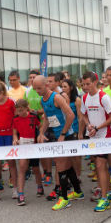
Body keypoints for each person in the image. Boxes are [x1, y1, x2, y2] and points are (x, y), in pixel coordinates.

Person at [34, 75, 83, 210]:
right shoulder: (42, 100)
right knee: (66, 165)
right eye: (35, 89)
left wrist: (63, 134)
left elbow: (71, 115)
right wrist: (42, 133)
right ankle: (78, 191)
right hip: (58, 136)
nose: (37, 91)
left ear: (46, 85)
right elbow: (48, 119)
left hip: (67, 135)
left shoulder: (56, 97)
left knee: (60, 165)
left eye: (39, 88)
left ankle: (64, 198)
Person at [81, 71, 111, 212]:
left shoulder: (103, 97)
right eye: (83, 84)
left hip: (105, 135)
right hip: (92, 135)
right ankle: (108, 192)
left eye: (88, 84)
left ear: (95, 82)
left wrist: (98, 127)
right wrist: (89, 124)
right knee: (97, 165)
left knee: (101, 165)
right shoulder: (84, 98)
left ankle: (104, 199)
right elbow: (84, 115)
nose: (86, 86)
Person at [12, 99, 44, 205]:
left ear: (27, 108)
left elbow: (40, 126)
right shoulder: (16, 119)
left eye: (22, 110)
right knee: (22, 168)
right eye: (18, 111)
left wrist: (40, 134)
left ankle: (39, 185)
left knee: (35, 168)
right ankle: (21, 194)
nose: (20, 113)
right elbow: (15, 132)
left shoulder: (33, 116)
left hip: (33, 145)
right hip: (23, 146)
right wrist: (15, 139)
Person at [62, 79, 84, 177]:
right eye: (62, 86)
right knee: (68, 156)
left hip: (75, 129)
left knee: (76, 156)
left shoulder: (77, 100)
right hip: (66, 130)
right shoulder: (61, 99)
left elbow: (80, 117)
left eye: (65, 87)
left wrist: (80, 133)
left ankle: (78, 175)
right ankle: (72, 176)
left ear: (71, 87)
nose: (63, 89)